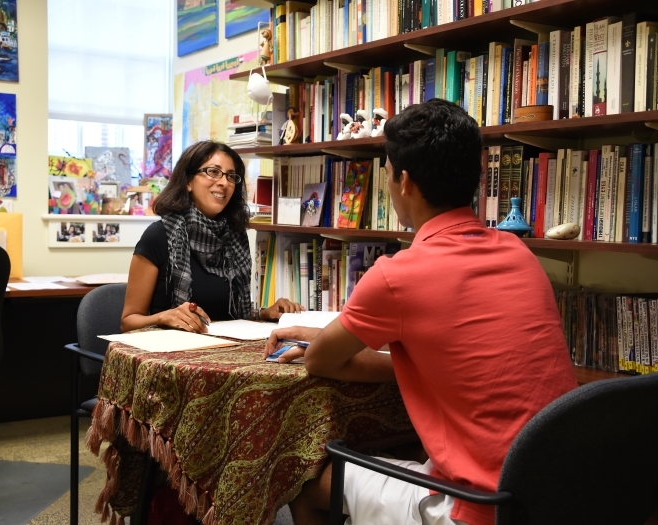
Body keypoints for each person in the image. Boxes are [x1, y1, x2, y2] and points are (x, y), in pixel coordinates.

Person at [265, 99, 578, 525]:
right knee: (405, 449)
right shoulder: (518, 251)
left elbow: (320, 361)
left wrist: (320, 341)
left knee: (306, 480)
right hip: (557, 495)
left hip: (481, 509)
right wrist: (416, 363)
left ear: (404, 181)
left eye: (388, 174)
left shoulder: (398, 275)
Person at [122, 140, 302, 333]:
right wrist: (164, 317)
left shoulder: (235, 237)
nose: (224, 182)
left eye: (231, 176)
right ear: (188, 181)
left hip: (223, 350)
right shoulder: (159, 235)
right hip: (168, 352)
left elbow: (230, 315)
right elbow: (127, 322)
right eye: (213, 172)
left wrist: (265, 314)